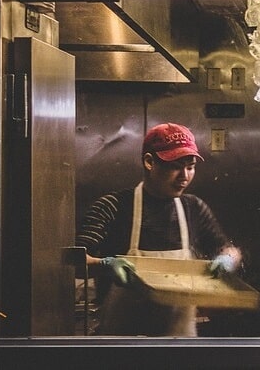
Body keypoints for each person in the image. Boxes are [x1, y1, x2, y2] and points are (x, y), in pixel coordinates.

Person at [77, 122, 243, 336]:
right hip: (121, 345)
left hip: (177, 344)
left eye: (190, 166)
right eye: (175, 166)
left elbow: (228, 248)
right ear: (149, 162)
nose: (184, 176)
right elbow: (75, 261)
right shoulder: (113, 206)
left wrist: (227, 260)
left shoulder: (193, 208)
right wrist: (105, 265)